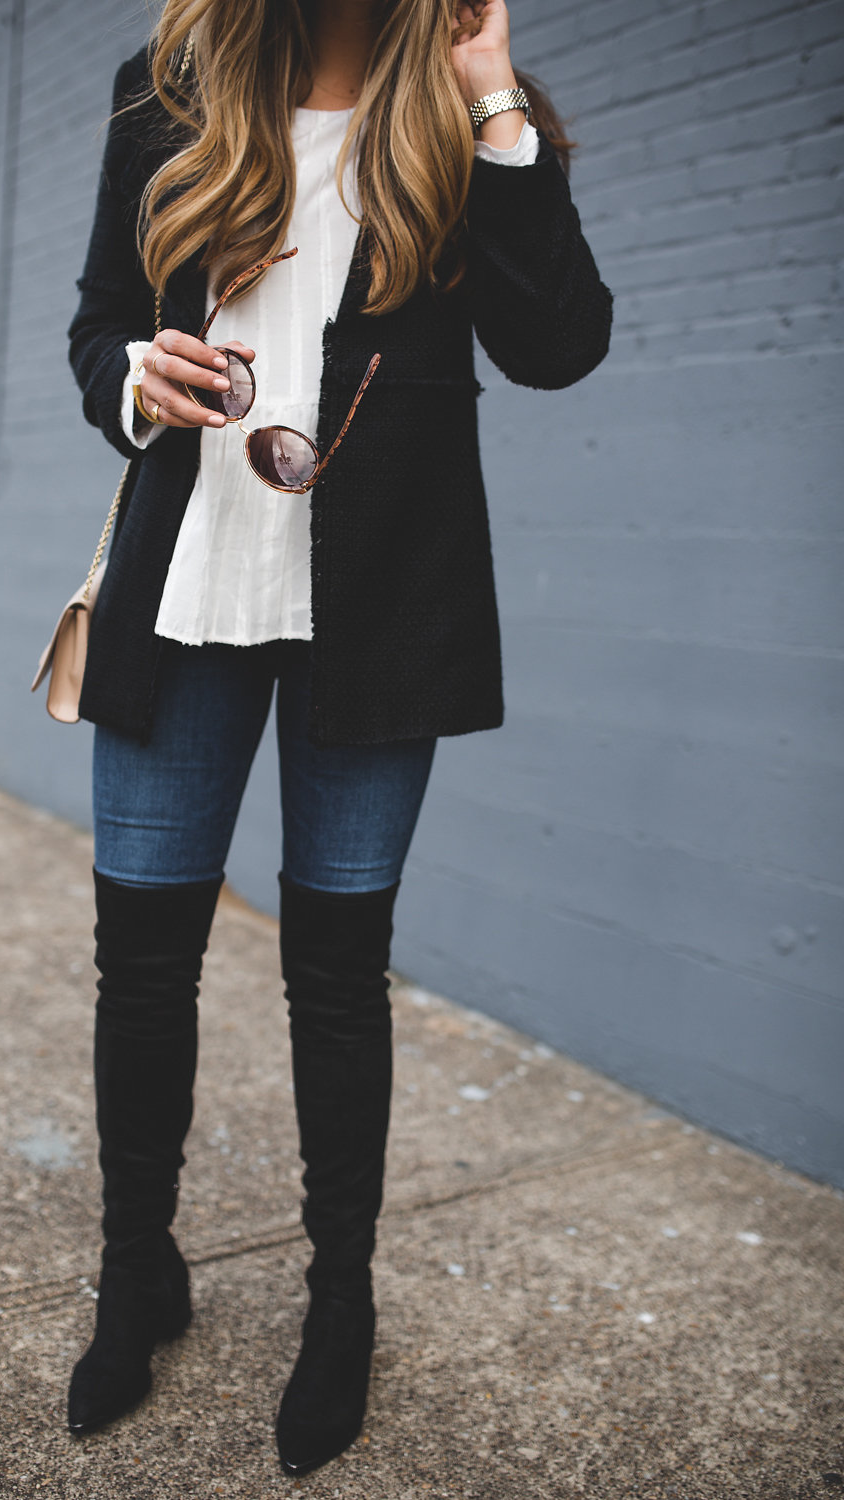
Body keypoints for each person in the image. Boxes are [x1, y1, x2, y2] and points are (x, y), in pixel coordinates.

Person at [64, 0, 612, 1476]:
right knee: (143, 959)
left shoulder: (461, 107)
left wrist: (494, 95)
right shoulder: (166, 88)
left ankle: (339, 1302)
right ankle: (139, 1269)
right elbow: (99, 313)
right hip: (186, 591)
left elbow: (558, 342)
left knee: (338, 977)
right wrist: (131, 380)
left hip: (379, 604)